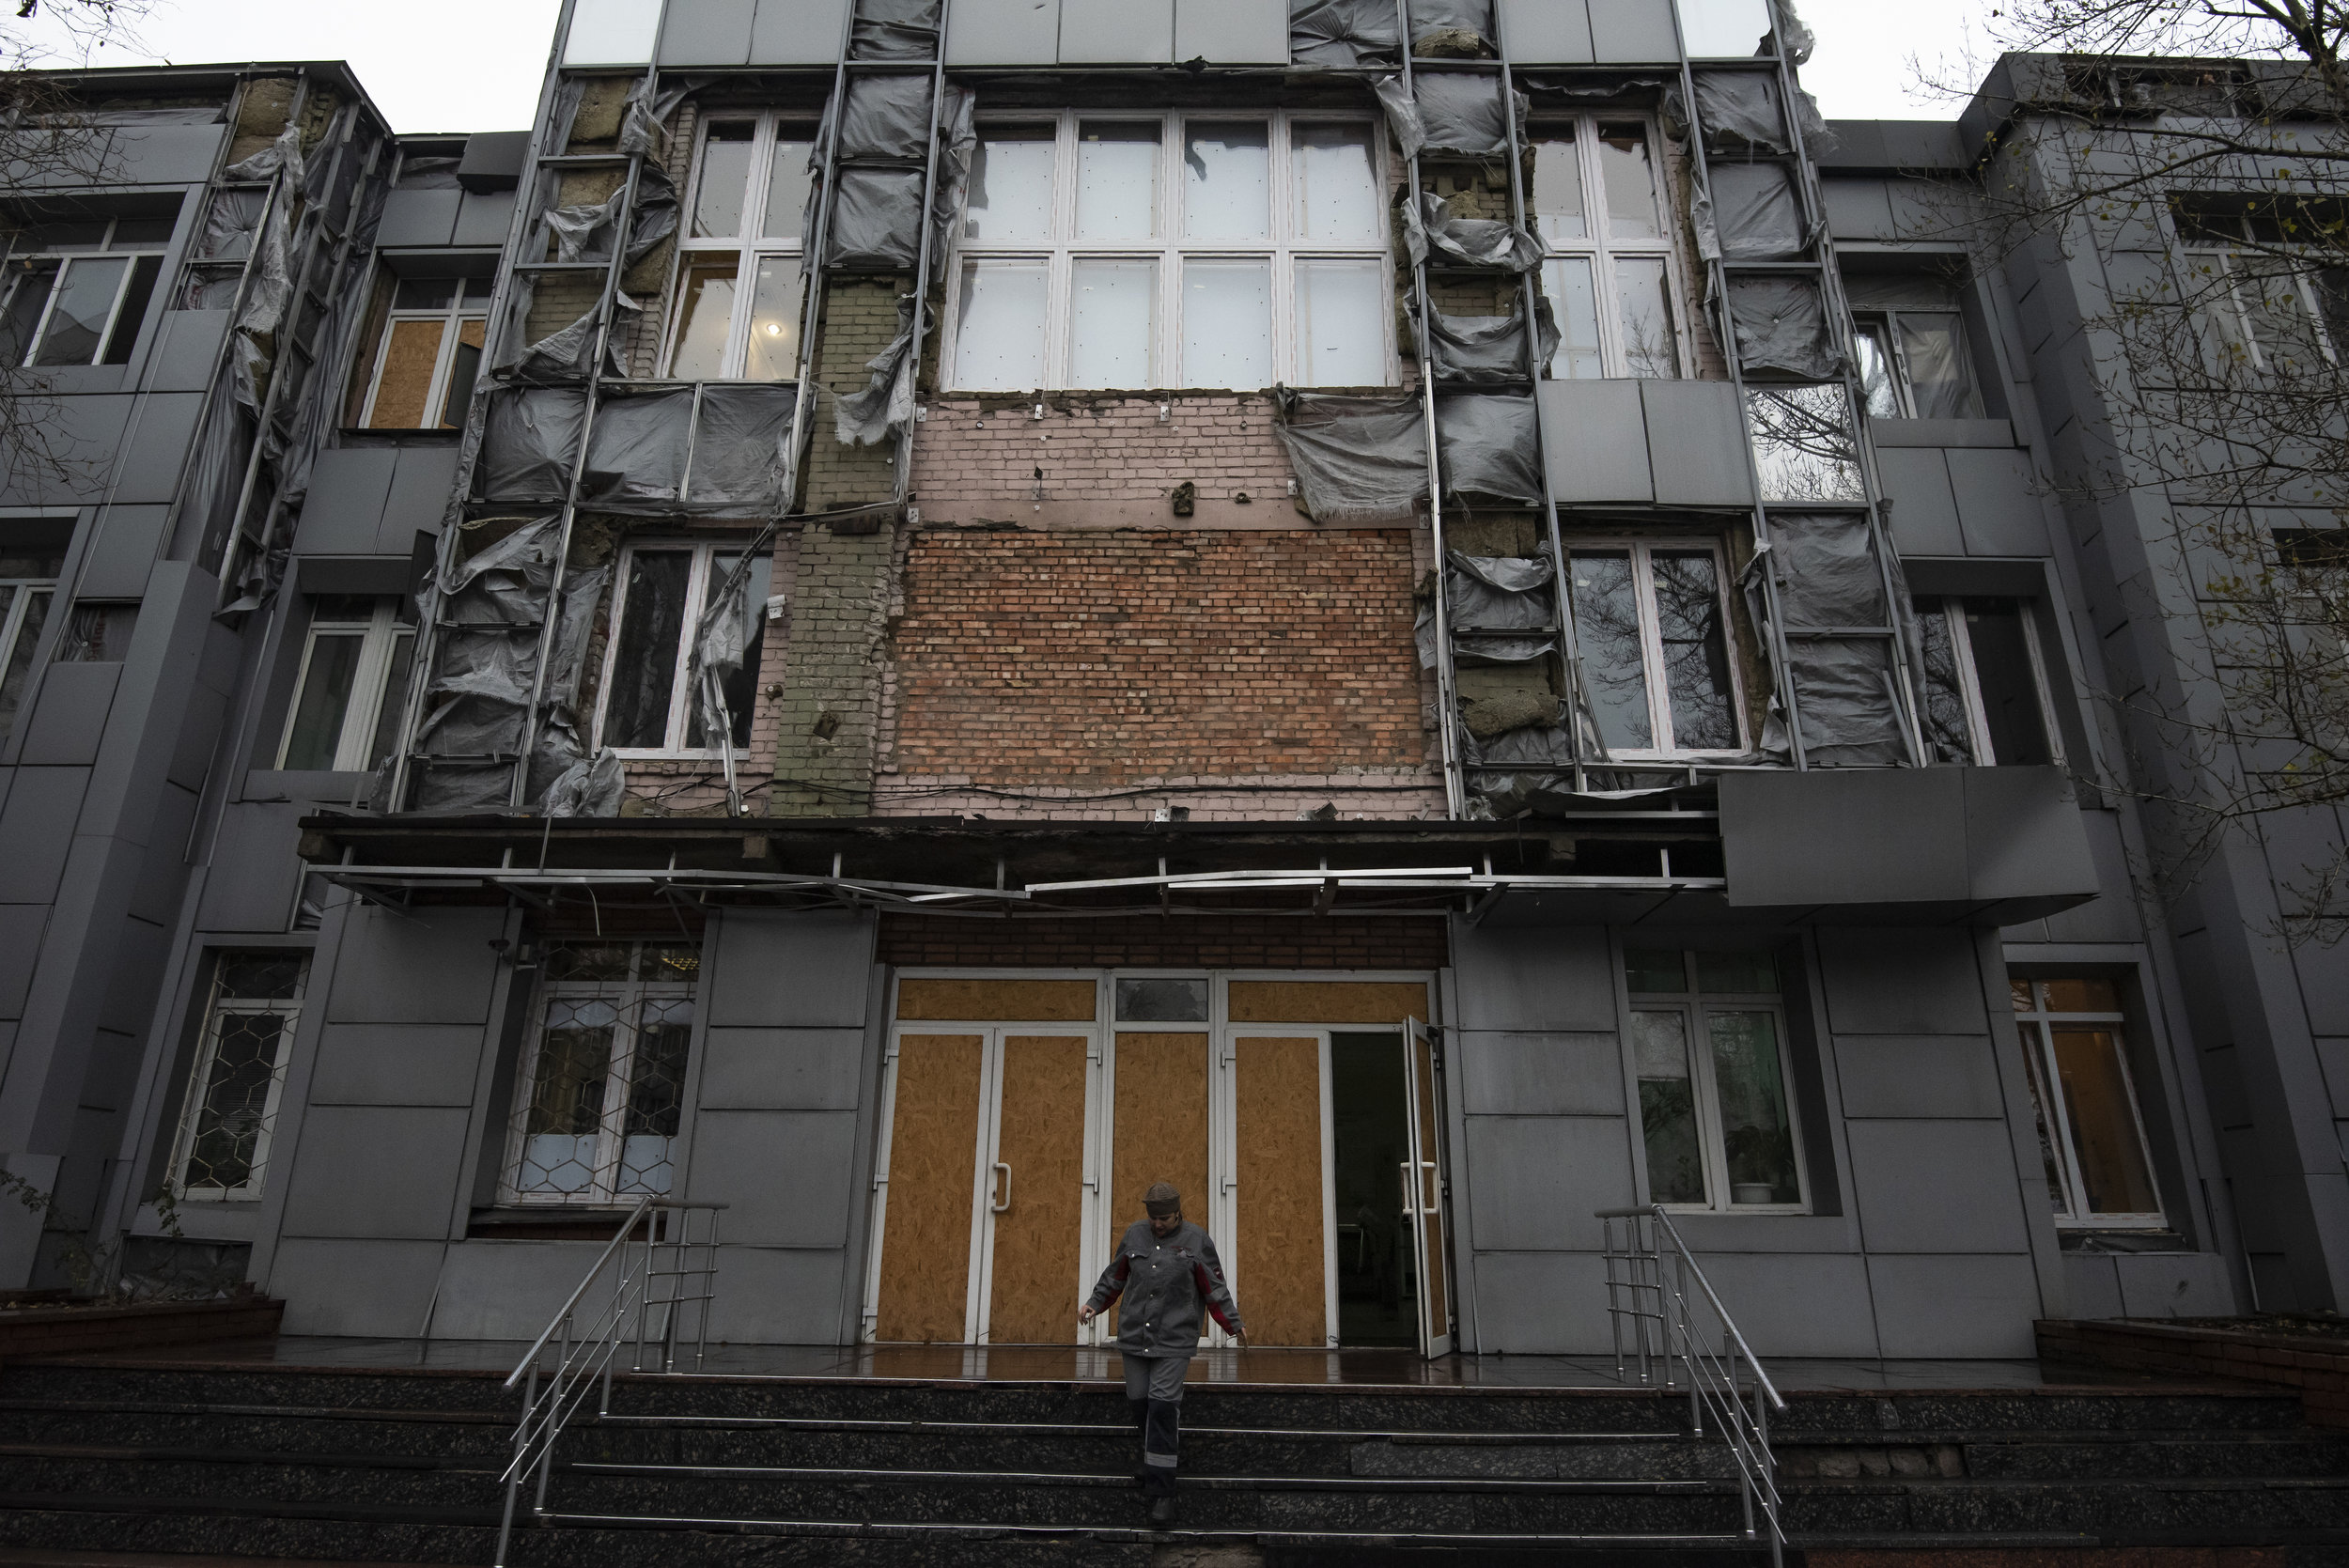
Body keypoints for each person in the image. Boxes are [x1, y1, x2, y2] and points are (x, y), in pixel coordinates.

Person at [1079, 1180, 1244, 1528]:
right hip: (1135, 1337)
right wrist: (1095, 1304)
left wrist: (1232, 1323)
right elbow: (1115, 1277)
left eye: (1165, 1219)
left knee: (1163, 1406)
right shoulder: (1134, 1235)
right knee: (1139, 1399)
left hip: (1175, 1338)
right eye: (1154, 1219)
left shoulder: (1197, 1240)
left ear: (1178, 1213)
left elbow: (1214, 1286)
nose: (1158, 1225)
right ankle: (1152, 1458)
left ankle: (1162, 1494)